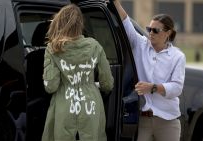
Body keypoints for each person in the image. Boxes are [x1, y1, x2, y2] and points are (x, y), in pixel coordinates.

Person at [114, 1, 186, 141]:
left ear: (168, 33)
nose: (151, 33)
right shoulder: (140, 44)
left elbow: (177, 88)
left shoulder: (178, 56)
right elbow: (125, 21)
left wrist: (152, 87)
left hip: (168, 121)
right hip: (144, 120)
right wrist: (116, 2)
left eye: (155, 30)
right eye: (149, 29)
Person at [41, 4, 114, 141]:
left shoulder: (53, 48)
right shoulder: (95, 46)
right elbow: (108, 84)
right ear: (80, 24)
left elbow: (51, 86)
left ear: (59, 23)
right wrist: (95, 85)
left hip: (64, 105)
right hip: (91, 105)